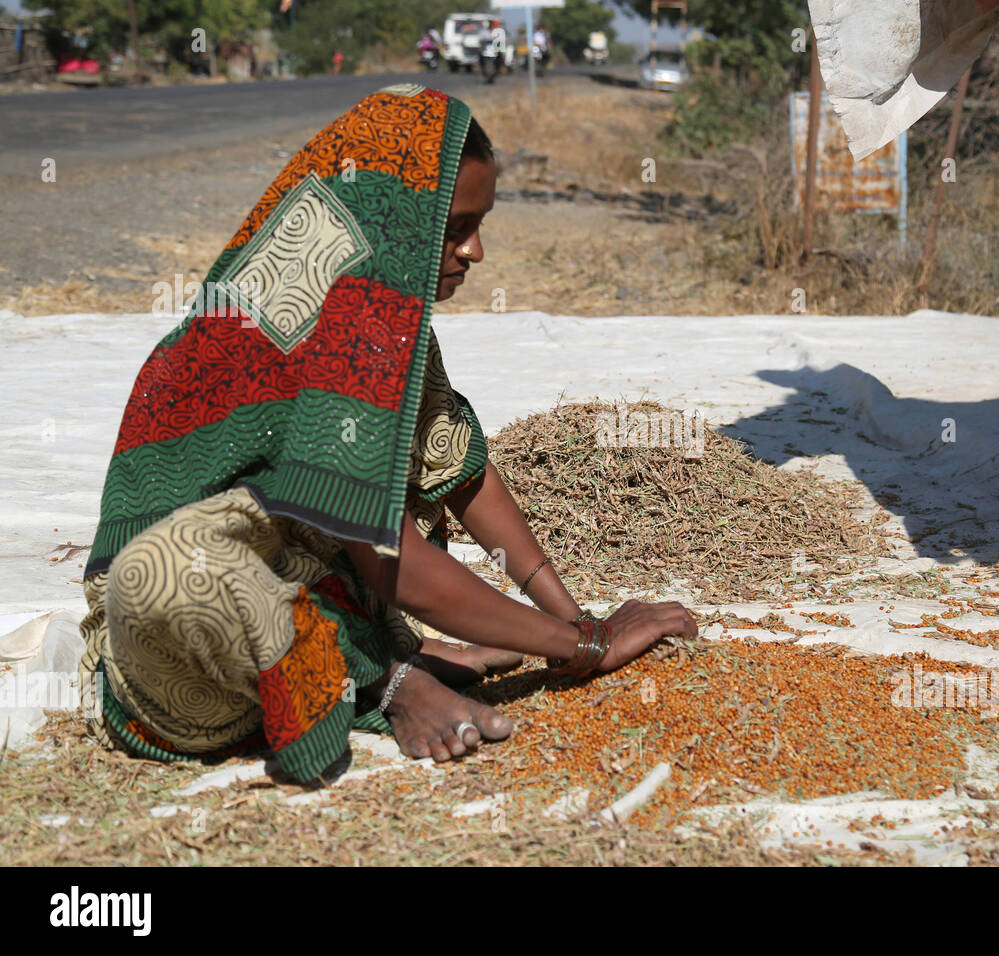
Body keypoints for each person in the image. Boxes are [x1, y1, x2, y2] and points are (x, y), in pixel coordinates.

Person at [78, 85, 697, 783]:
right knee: (168, 568)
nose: (477, 250)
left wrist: (576, 622)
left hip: (314, 603)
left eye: (479, 223)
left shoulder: (384, 314)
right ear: (394, 225)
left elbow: (458, 469)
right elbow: (388, 557)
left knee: (305, 554)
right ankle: (388, 683)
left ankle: (384, 666)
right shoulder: (298, 309)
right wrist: (582, 644)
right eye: (457, 226)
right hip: (186, 655)